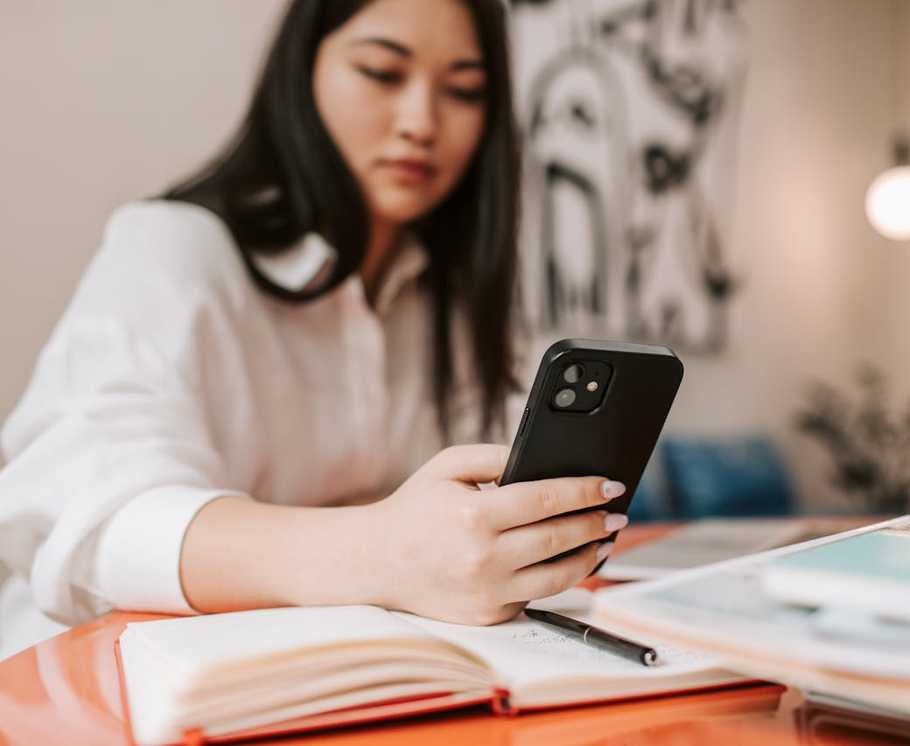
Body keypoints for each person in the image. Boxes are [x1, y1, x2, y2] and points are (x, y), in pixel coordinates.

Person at [0, 0, 627, 659]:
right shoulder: (172, 248)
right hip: (99, 685)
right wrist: (382, 549)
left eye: (464, 91)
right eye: (383, 73)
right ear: (303, 73)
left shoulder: (447, 296)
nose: (421, 122)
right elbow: (92, 526)